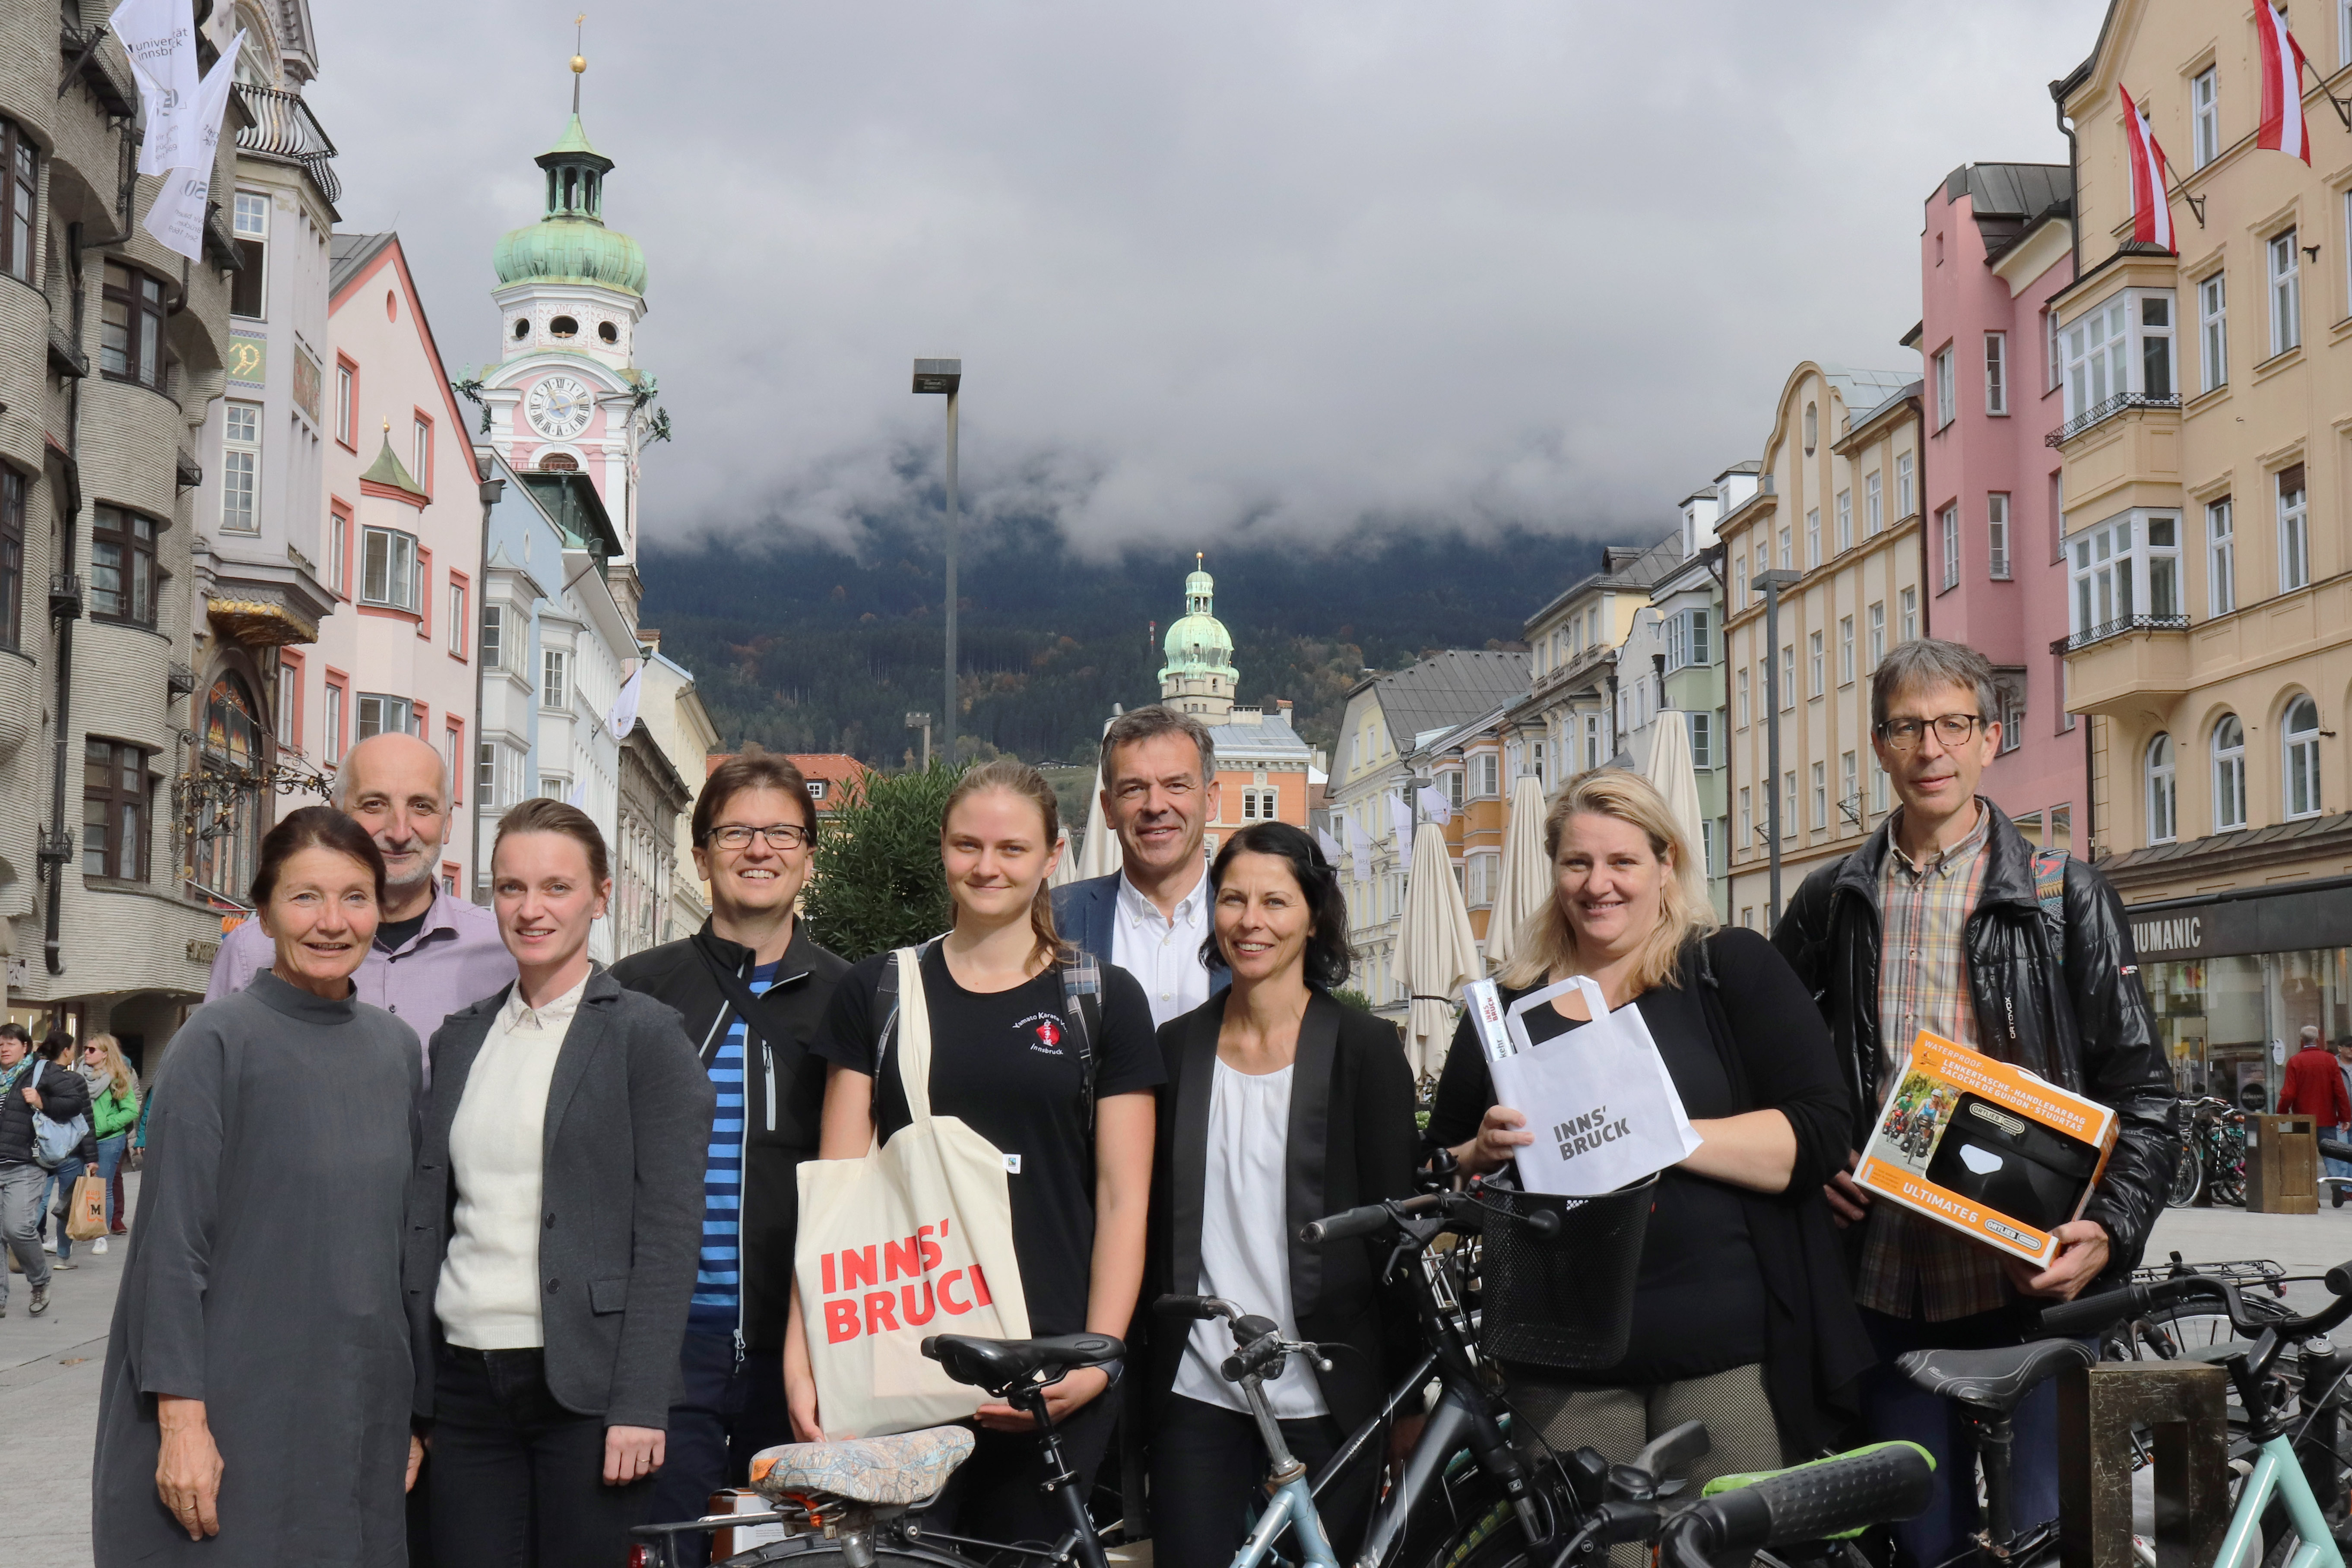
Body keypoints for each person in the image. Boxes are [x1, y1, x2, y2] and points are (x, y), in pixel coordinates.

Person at [1772, 638, 2178, 1568]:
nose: (1930, 748)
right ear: (1878, 746)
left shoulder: (2060, 895)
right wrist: (1811, 1161)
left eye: (1952, 724)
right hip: (1879, 1282)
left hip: (2025, 1290)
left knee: (2046, 1538)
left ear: (1989, 738)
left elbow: (2145, 1095)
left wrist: (2108, 1231)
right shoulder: (1831, 899)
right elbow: (1761, 1065)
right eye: (1908, 727)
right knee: (1920, 1545)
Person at [1426, 770, 1861, 1500]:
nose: (1599, 885)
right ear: (1554, 871)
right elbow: (1436, 1177)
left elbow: (1820, 1131)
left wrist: (1655, 1131)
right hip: (1561, 1361)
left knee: (1726, 1555)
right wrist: (1477, 1154)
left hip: (1723, 1351)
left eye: (1623, 862)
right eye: (1578, 863)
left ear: (1666, 866)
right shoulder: (1503, 1011)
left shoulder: (1729, 969)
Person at [790, 759, 1164, 1547]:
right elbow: (833, 1196)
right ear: (943, 849)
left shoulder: (1103, 999)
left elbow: (1126, 1198)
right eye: (967, 845)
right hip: (901, 1349)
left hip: (1051, 1359)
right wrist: (804, 1353)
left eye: (1011, 848)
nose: (987, 867)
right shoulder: (879, 991)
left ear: (1052, 856)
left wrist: (1098, 1359)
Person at [92, 807, 420, 1564]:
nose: (332, 922)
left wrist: (409, 1413)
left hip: (354, 1412)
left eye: (355, 896)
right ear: (264, 913)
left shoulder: (397, 1050)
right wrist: (181, 1426)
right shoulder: (217, 1041)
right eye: (305, 897)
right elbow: (170, 1252)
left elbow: (395, 1249)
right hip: (229, 1410)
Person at [405, 798, 714, 1568]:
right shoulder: (462, 1037)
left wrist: (642, 1403)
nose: (531, 909)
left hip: (589, 1388)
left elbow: (671, 1234)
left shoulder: (646, 1036)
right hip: (467, 1382)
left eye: (556, 887)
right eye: (511, 888)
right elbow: (434, 1216)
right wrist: (417, 1395)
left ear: (600, 895)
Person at [1146, 822, 1421, 1568]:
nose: (1250, 921)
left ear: (1312, 915)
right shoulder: (1173, 1049)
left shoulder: (1364, 1051)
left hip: (1332, 1391)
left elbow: (1396, 1233)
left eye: (1275, 901)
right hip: (1199, 1384)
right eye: (1233, 900)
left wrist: (1407, 1396)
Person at [610, 749, 851, 1560]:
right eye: (737, 831)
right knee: (666, 1546)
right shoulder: (636, 990)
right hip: (663, 1348)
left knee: (794, 1555)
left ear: (809, 855)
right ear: (700, 852)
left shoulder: (855, 998)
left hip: (805, 1341)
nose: (760, 849)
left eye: (782, 832)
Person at [206, 732, 516, 1085]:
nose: (399, 831)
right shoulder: (254, 951)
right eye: (374, 804)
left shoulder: (504, 954)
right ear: (337, 814)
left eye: (422, 806)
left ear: (447, 823)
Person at [1054, 706, 1230, 1030]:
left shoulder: (1256, 921)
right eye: (1134, 788)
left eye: (1176, 785)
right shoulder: (1054, 921)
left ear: (1211, 799)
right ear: (1109, 809)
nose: (1156, 805)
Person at [0, 1021, 90, 1316]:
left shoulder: (41, 1071)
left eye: (11, 1043)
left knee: (18, 1228)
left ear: (25, 1047)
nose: (4, 1048)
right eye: (1, 1043)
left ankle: (40, 1280)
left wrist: (42, 1101)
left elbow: (76, 1101)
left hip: (24, 1164)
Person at [36, 1030, 97, 1264]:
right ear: (66, 1051)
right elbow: (86, 1120)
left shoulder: (35, 1078)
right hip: (71, 1152)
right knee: (66, 1205)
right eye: (73, 1048)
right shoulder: (75, 1080)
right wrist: (92, 1156)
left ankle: (21, 1251)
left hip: (40, 1150)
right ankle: (63, 1256)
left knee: (37, 1202)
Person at [79, 1034, 139, 1254]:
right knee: (74, 1185)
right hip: (80, 1138)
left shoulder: (117, 1078)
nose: (86, 1052)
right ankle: (67, 1234)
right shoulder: (79, 1075)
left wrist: (104, 1125)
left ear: (106, 1053)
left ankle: (101, 1236)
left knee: (102, 1188)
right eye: (86, 1048)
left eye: (93, 1050)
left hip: (108, 1140)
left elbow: (131, 1110)